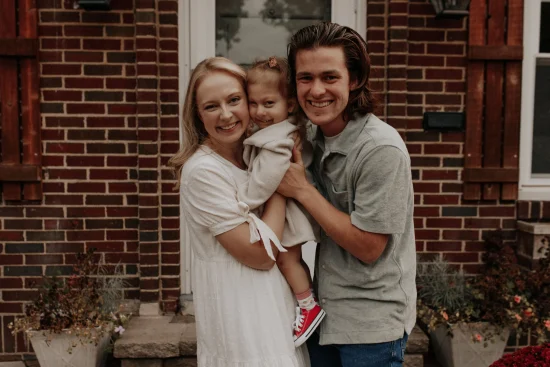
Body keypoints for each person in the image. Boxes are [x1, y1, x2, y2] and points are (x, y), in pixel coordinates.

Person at [277, 22, 417, 367]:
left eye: (330, 77)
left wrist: (302, 191)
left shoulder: (380, 149)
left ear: (354, 80)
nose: (316, 90)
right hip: (325, 315)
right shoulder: (311, 138)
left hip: (371, 327)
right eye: (305, 78)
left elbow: (370, 247)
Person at [168, 57, 309, 367]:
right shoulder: (203, 171)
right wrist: (282, 184)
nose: (226, 114)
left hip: (275, 305)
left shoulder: (256, 155)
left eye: (234, 100)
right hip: (239, 316)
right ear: (197, 114)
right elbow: (258, 254)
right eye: (211, 106)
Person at [241, 56, 325, 347]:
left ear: (289, 105)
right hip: (286, 210)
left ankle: (308, 306)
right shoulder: (274, 132)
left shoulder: (279, 140)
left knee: (287, 259)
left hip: (288, 212)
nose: (259, 112)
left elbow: (265, 181)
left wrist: (244, 201)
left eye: (268, 104)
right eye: (253, 104)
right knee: (291, 259)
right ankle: (304, 300)